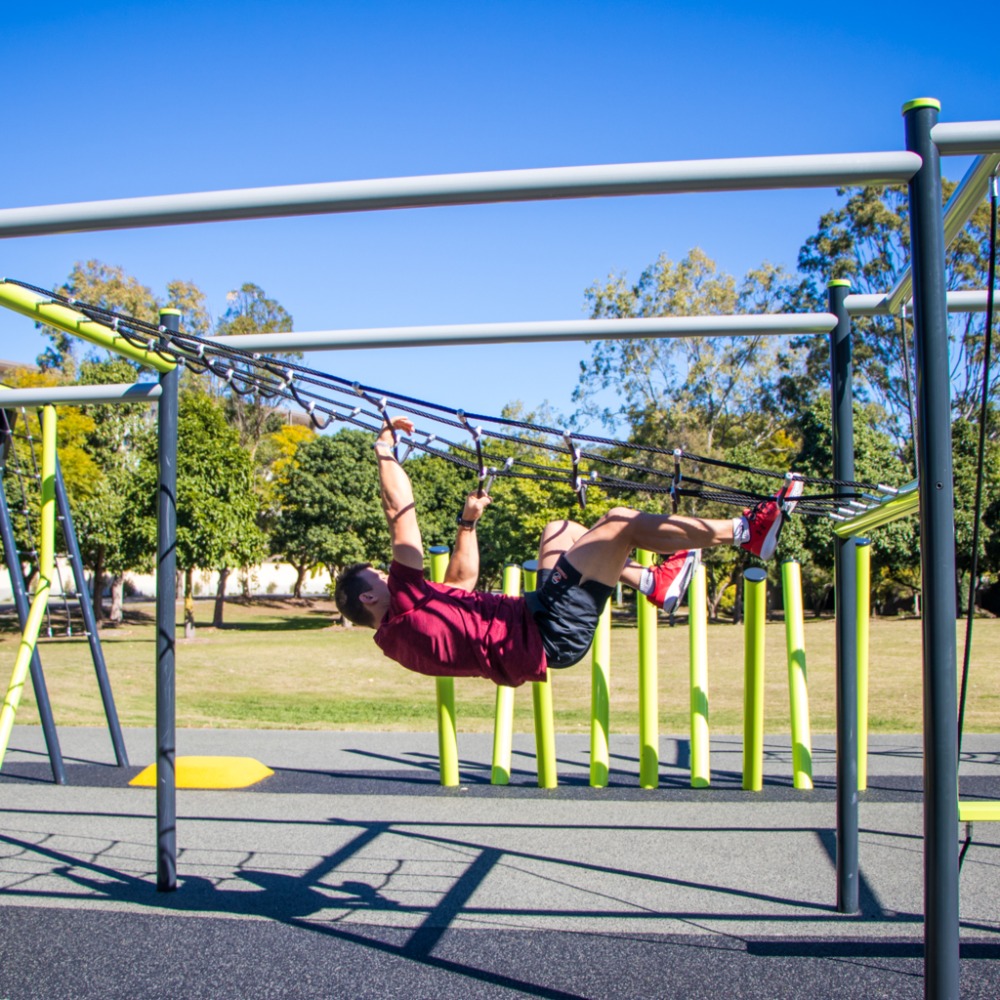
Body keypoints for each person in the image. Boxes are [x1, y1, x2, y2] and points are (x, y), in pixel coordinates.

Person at [334, 417, 803, 688]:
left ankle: (651, 581)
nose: (387, 574)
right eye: (378, 576)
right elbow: (400, 515)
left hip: (538, 619)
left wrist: (467, 523)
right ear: (368, 597)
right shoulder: (403, 608)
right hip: (547, 631)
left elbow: (461, 584)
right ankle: (746, 532)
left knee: (562, 531)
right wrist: (384, 450)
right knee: (618, 522)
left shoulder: (406, 629)